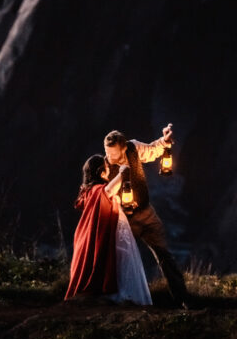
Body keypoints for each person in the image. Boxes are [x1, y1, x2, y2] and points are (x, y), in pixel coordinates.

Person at [103, 124, 189, 306]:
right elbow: (104, 192)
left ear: (124, 147)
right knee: (121, 258)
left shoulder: (133, 147)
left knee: (165, 255)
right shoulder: (105, 166)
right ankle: (121, 300)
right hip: (124, 219)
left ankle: (183, 300)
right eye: (107, 152)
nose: (109, 157)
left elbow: (152, 150)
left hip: (146, 212)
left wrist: (164, 141)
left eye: (113, 153)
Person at [64, 154, 151, 305]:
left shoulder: (90, 191)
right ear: (100, 172)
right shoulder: (97, 190)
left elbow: (108, 199)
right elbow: (108, 192)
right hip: (102, 233)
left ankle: (109, 293)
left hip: (100, 232)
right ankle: (106, 295)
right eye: (106, 168)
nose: (108, 170)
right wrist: (122, 173)